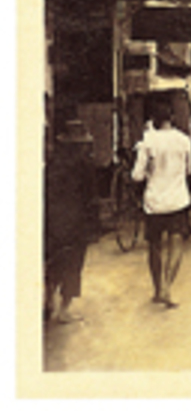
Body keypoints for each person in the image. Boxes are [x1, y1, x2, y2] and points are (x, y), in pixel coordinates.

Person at [131, 99, 191, 308]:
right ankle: (167, 286)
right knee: (176, 244)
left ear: (153, 120)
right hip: (178, 200)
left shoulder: (147, 141)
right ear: (172, 118)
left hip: (154, 202)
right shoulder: (184, 140)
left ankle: (158, 290)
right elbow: (189, 170)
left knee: (155, 246)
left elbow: (137, 175)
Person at [43, 119, 100, 324]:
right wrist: (94, 225)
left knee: (54, 261)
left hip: (53, 220)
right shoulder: (85, 165)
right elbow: (91, 197)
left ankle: (48, 300)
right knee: (73, 264)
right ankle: (64, 309)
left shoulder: (53, 163)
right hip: (76, 222)